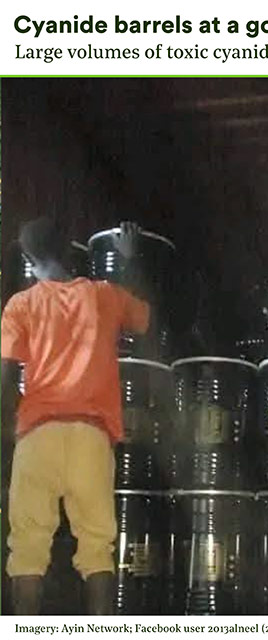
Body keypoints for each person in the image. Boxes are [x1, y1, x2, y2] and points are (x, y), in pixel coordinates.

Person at [0, 219, 150, 615]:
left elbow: (5, 379)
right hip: (91, 438)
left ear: (29, 260)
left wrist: (9, 435)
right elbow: (144, 321)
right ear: (71, 252)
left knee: (28, 552)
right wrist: (129, 262)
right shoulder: (104, 296)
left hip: (37, 437)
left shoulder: (20, 305)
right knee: (97, 549)